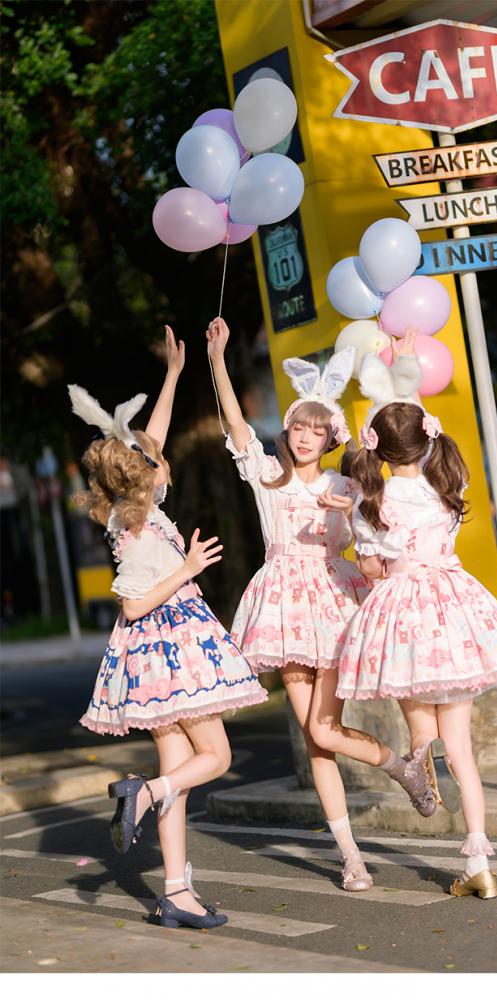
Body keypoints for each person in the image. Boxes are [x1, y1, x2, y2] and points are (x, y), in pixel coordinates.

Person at [207, 317, 437, 891]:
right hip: (283, 610)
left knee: (325, 730)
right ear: (286, 431)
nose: (305, 436)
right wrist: (217, 360)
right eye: (297, 426)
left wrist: (345, 516)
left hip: (333, 603)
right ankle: (350, 856)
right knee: (316, 740)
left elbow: (392, 490)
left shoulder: (347, 484)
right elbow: (236, 425)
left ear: (332, 435)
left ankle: (400, 767)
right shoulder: (267, 478)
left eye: (317, 428)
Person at [69, 326, 267, 931]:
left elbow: (151, 434)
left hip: (161, 654)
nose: (164, 455)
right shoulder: (135, 529)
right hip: (169, 649)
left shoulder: (136, 505)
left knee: (177, 771)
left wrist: (178, 373)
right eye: (158, 459)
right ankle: (144, 793)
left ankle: (176, 892)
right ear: (150, 476)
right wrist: (185, 568)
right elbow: (130, 606)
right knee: (215, 756)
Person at [336, 342, 497, 900]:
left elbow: (370, 566)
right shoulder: (448, 484)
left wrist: (369, 555)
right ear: (427, 439)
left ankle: (419, 767)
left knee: (421, 724)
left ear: (377, 446)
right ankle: (479, 862)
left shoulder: (371, 499)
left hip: (402, 611)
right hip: (454, 606)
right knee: (462, 749)